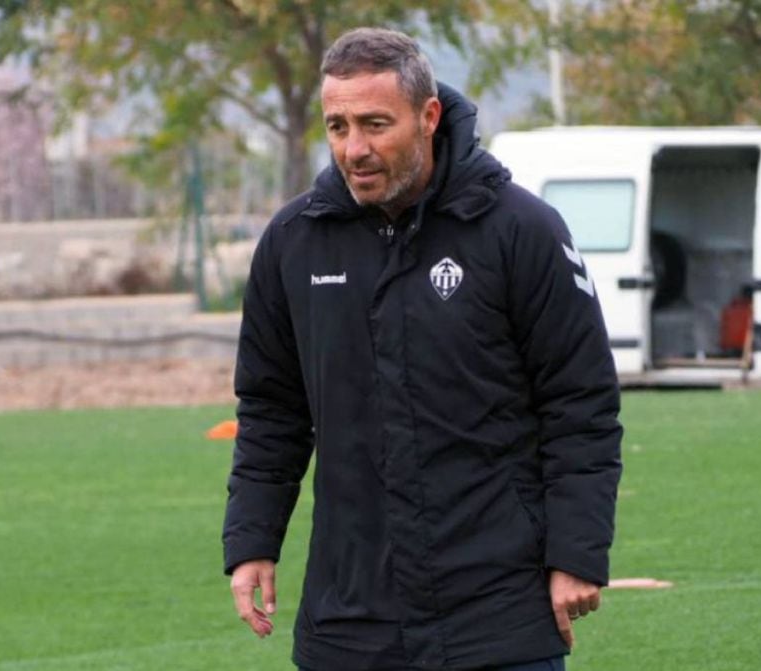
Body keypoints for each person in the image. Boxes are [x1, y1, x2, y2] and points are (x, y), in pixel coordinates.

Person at [223, 27, 623, 671]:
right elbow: (272, 411)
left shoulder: (520, 231)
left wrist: (576, 555)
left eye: (376, 124)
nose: (354, 148)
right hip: (349, 619)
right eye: (338, 126)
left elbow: (581, 406)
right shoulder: (293, 243)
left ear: (428, 116)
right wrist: (252, 541)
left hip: (497, 612)